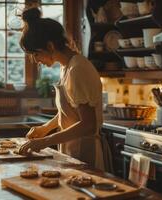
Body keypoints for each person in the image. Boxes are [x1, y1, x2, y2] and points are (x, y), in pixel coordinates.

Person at [17, 8, 105, 170]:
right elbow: (70, 111)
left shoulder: (78, 69)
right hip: (72, 150)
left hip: (85, 153)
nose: (35, 61)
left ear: (50, 46)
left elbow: (88, 124)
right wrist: (45, 128)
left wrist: (44, 142)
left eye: (35, 54)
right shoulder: (67, 67)